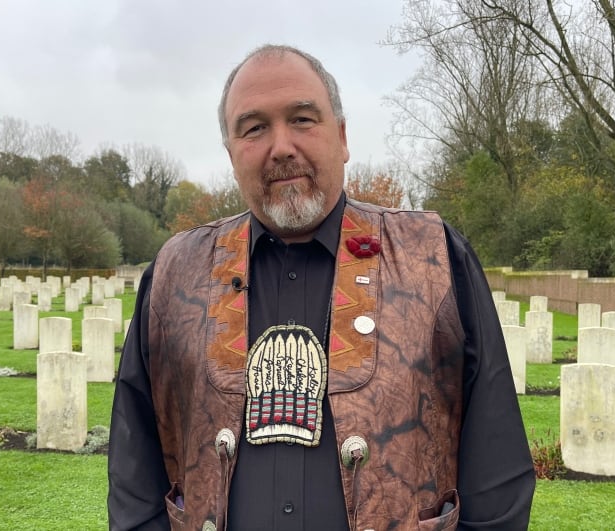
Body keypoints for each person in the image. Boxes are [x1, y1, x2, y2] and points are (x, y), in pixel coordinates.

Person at [108, 44, 536, 531]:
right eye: (254, 128)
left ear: (342, 135)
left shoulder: (433, 256)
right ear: (231, 153)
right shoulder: (174, 272)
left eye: (303, 119)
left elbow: (496, 475)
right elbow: (135, 478)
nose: (282, 146)